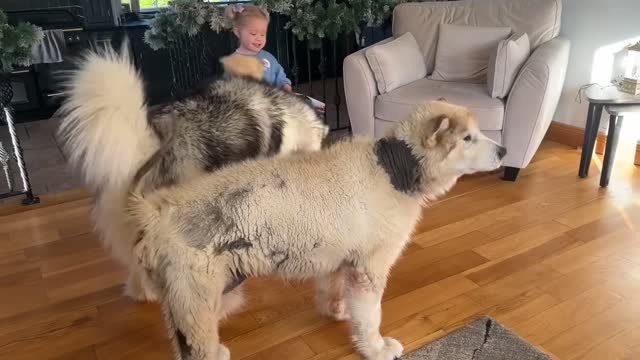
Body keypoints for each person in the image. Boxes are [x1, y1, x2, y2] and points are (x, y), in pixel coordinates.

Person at [225, 4, 293, 92]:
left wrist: (285, 85)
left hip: (273, 102)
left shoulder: (269, 57)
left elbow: (280, 76)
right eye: (253, 33)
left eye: (262, 34)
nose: (259, 38)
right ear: (238, 32)